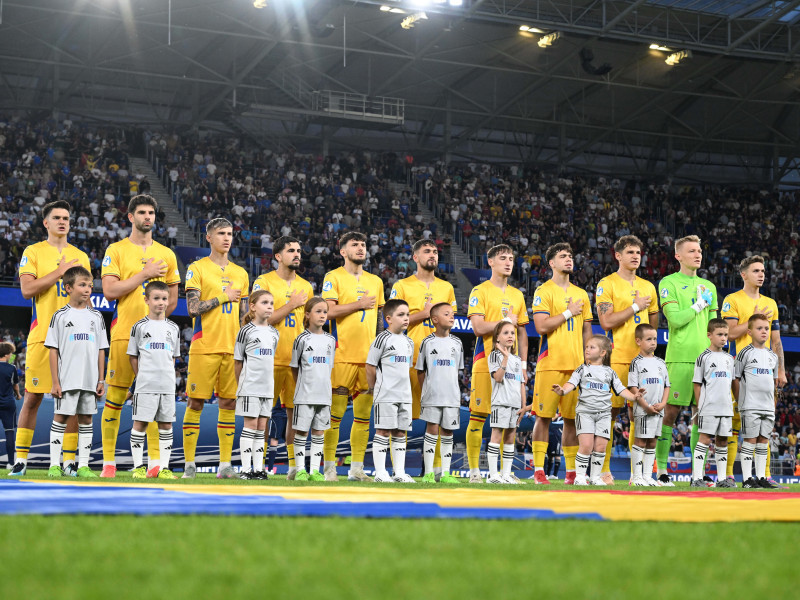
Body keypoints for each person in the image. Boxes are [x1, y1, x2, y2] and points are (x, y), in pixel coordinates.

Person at [100, 195, 180, 478]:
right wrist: (144, 274)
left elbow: (172, 299)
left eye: (152, 213)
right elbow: (110, 292)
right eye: (142, 212)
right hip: (123, 334)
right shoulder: (117, 250)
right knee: (115, 399)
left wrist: (157, 321)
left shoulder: (167, 255)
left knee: (158, 402)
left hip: (157, 339)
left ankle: (156, 465)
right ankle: (108, 464)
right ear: (130, 217)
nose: (148, 217)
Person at [11, 200, 90, 477]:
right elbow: (26, 290)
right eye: (56, 217)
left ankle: (69, 462)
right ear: (46, 222)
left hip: (75, 340)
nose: (62, 221)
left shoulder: (81, 255)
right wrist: (60, 272)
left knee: (72, 401)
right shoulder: (33, 252)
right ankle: (20, 460)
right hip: (42, 335)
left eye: (66, 217)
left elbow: (86, 297)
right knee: (32, 397)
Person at [183, 218, 249, 479]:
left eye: (230, 233)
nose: (227, 238)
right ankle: (189, 464)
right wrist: (223, 296)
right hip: (204, 346)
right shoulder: (196, 268)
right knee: (195, 401)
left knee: (229, 403)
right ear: (208, 237)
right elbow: (191, 308)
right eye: (221, 233)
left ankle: (224, 466)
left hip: (232, 349)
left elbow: (244, 318)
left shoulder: (241, 273)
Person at [321, 232, 385, 482]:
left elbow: (380, 319)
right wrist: (359, 304)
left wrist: (381, 349)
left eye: (363, 244)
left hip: (368, 358)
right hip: (341, 355)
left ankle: (356, 469)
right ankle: (329, 469)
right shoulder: (333, 277)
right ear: (343, 251)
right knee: (334, 415)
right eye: (354, 245)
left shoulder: (376, 281)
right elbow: (328, 312)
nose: (360, 248)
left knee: (363, 417)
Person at [390, 239, 457, 478]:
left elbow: (449, 321)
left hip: (438, 364)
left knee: (437, 419)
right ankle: (398, 470)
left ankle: (436, 470)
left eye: (435, 251)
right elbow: (394, 321)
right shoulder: (402, 285)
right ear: (415, 257)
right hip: (408, 360)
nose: (432, 255)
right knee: (403, 417)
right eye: (427, 251)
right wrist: (425, 313)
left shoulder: (447, 288)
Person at [595, 235, 659, 483]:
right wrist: (634, 307)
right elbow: (606, 321)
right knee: (609, 414)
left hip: (642, 363)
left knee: (640, 416)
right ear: (618, 255)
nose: (635, 256)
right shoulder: (607, 284)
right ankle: (603, 471)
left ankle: (638, 474)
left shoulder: (649, 287)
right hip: (617, 358)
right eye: (630, 252)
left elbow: (653, 328)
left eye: (638, 252)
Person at [656, 235, 718, 486]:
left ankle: (697, 475)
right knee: (670, 413)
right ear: (678, 255)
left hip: (705, 360)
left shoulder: (710, 285)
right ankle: (661, 471)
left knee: (699, 417)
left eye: (700, 250)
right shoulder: (668, 282)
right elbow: (675, 320)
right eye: (692, 250)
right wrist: (700, 304)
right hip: (679, 358)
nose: (698, 254)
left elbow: (714, 327)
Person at [251, 236, 313, 480]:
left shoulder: (306, 286)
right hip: (268, 358)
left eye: (299, 250)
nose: (297, 254)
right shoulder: (264, 281)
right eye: (291, 251)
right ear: (278, 256)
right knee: (262, 414)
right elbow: (258, 317)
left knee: (295, 414)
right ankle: (258, 464)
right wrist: (291, 304)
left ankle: (294, 467)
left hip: (297, 360)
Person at [531, 243, 592, 485]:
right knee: (543, 417)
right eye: (562, 256)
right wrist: (568, 312)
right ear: (552, 263)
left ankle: (571, 473)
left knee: (571, 420)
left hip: (576, 366)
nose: (568, 259)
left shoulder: (582, 294)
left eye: (570, 255)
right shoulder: (543, 291)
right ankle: (538, 471)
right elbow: (541, 326)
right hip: (551, 363)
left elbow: (587, 329)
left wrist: (589, 360)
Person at [466, 244, 528, 483]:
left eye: (511, 258)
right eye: (503, 258)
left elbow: (521, 332)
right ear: (490, 262)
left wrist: (522, 365)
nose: (508, 262)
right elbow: (478, 328)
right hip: (486, 361)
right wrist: (505, 320)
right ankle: (474, 472)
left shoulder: (517, 295)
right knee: (479, 416)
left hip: (512, 365)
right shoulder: (479, 291)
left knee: (509, 418)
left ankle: (505, 473)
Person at [721, 255, 786, 486]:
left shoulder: (771, 303)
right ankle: (729, 474)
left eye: (763, 271)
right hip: (740, 370)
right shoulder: (732, 300)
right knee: (735, 423)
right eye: (756, 270)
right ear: (744, 274)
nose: (761, 274)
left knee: (763, 424)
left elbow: (776, 341)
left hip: (766, 372)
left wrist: (781, 371)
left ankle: (765, 475)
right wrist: (752, 318)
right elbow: (728, 334)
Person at [44, 266, 108, 478]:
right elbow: (53, 350)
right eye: (82, 285)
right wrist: (55, 381)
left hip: (90, 380)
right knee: (61, 417)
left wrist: (101, 378)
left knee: (87, 420)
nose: (88, 289)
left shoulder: (97, 316)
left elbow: (101, 349)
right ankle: (55, 464)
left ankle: (83, 466)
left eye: (90, 285)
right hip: (68, 378)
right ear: (68, 288)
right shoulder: (60, 316)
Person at [552, 335, 641, 486]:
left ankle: (595, 477)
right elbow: (570, 383)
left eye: (591, 347)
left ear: (603, 353)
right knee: (586, 446)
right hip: (585, 413)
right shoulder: (582, 369)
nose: (587, 349)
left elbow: (620, 389)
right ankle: (580, 477)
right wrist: (562, 391)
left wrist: (634, 396)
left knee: (600, 447)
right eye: (586, 347)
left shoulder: (610, 372)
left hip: (604, 415)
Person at [126, 281, 181, 480]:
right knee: (140, 424)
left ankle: (164, 468)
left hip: (166, 384)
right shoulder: (139, 327)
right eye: (156, 298)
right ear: (147, 300)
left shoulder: (173, 328)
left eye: (164, 299)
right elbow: (133, 355)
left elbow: (174, 357)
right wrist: (141, 376)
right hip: (145, 384)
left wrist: (169, 375)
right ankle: (139, 467)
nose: (161, 303)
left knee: (166, 425)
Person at [367, 299, 415, 483]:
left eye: (408, 315)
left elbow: (406, 369)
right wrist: (373, 388)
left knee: (401, 433)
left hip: (404, 395)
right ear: (388, 318)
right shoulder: (382, 339)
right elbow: (370, 366)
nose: (406, 318)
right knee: (383, 431)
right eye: (401, 315)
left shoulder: (409, 342)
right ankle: (380, 472)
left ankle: (399, 473)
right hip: (385, 394)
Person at [415, 302, 463, 484]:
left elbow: (457, 371)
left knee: (448, 432)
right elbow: (420, 370)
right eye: (446, 314)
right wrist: (426, 390)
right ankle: (428, 473)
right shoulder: (427, 342)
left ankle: (445, 473)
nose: (452, 316)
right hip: (432, 396)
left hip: (451, 396)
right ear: (435, 319)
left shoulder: (457, 342)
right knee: (432, 431)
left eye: (452, 314)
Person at [234, 289, 279, 480]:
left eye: (271, 303)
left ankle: (259, 469)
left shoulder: (274, 333)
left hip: (267, 388)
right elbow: (238, 361)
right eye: (264, 302)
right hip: (250, 387)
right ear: (252, 307)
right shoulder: (245, 331)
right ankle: (245, 470)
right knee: (250, 426)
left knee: (261, 428)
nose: (269, 306)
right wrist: (241, 386)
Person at [290, 297, 336, 481]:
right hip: (304, 395)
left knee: (319, 433)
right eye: (318, 311)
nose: (322, 315)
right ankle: (300, 470)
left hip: (324, 395)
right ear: (307, 314)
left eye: (325, 311)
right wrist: (301, 386)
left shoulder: (330, 340)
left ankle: (315, 471)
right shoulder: (301, 339)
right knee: (301, 432)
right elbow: (294, 367)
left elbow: (328, 368)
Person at [734, 314, 780, 489]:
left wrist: (773, 405)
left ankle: (761, 477)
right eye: (759, 328)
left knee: (763, 441)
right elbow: (736, 379)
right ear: (749, 332)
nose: (764, 332)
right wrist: (740, 401)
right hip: (750, 405)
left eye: (766, 328)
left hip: (768, 406)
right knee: (750, 440)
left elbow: (774, 383)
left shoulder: (772, 356)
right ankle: (747, 479)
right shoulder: (744, 353)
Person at [691, 319, 734, 488]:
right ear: (709, 335)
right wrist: (700, 405)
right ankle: (696, 478)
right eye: (720, 335)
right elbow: (697, 383)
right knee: (705, 440)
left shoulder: (729, 359)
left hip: (726, 407)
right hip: (708, 407)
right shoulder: (703, 357)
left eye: (726, 335)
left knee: (723, 441)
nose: (724, 338)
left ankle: (722, 479)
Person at [627, 324, 670, 486]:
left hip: (658, 409)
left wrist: (664, 403)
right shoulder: (636, 363)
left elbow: (667, 385)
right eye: (649, 339)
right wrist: (645, 406)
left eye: (654, 339)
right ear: (638, 341)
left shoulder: (660, 362)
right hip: (643, 410)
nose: (653, 342)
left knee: (652, 442)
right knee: (640, 441)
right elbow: (633, 387)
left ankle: (647, 476)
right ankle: (636, 476)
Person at [486, 320, 526, 484]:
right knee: (496, 437)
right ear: (497, 338)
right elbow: (498, 377)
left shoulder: (517, 359)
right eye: (506, 333)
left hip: (515, 404)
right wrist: (505, 359)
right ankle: (493, 475)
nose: (510, 336)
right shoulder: (494, 356)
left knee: (510, 438)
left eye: (512, 333)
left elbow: (521, 383)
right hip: (500, 402)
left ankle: (506, 474)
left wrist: (523, 405)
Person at [0, 343, 21, 468]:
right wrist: (18, 395)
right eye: (11, 353)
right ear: (7, 354)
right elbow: (15, 386)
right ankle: (11, 463)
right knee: (9, 433)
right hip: (8, 403)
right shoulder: (11, 368)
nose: (12, 355)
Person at [266, 400, 287, 475]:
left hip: (278, 414)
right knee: (288, 441)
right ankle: (292, 468)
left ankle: (270, 469)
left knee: (275, 440)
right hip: (285, 413)